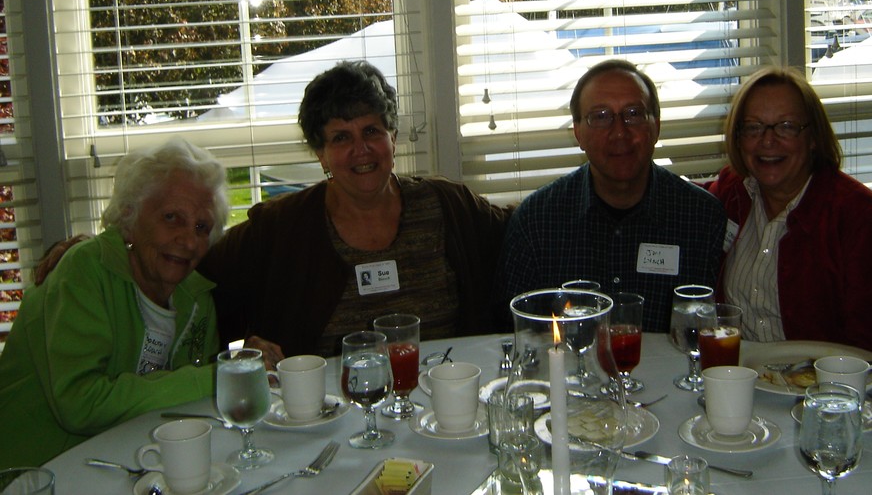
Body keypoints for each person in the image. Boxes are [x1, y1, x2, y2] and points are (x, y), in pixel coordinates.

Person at [196, 60, 511, 359]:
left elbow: (520, 229)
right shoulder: (280, 227)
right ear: (321, 155)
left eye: (371, 131)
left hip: (443, 391)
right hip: (323, 399)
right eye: (341, 137)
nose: (361, 149)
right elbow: (194, 280)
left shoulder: (449, 207)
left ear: (393, 138)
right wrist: (245, 353)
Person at [0, 138, 229, 467]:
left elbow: (192, 412)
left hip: (133, 463)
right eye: (171, 217)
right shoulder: (83, 271)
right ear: (129, 215)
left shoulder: (197, 299)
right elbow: (80, 405)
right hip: (40, 470)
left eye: (201, 227)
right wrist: (216, 378)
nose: (189, 240)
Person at [707, 65, 872, 372]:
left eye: (786, 126)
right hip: (746, 383)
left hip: (841, 388)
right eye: (753, 127)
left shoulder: (861, 220)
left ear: (813, 137)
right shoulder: (733, 195)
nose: (767, 141)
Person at [493, 59, 729, 332]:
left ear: (656, 127)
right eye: (600, 116)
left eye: (633, 113)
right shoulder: (535, 222)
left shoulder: (701, 218)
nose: (619, 132)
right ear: (578, 133)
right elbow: (510, 332)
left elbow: (715, 328)